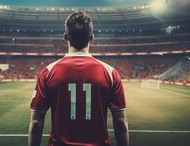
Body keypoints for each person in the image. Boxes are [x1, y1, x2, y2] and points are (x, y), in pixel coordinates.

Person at [29, 11, 129, 146]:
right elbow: (120, 122)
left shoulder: (47, 72)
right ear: (92, 38)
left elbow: (36, 122)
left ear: (65, 37)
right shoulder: (111, 73)